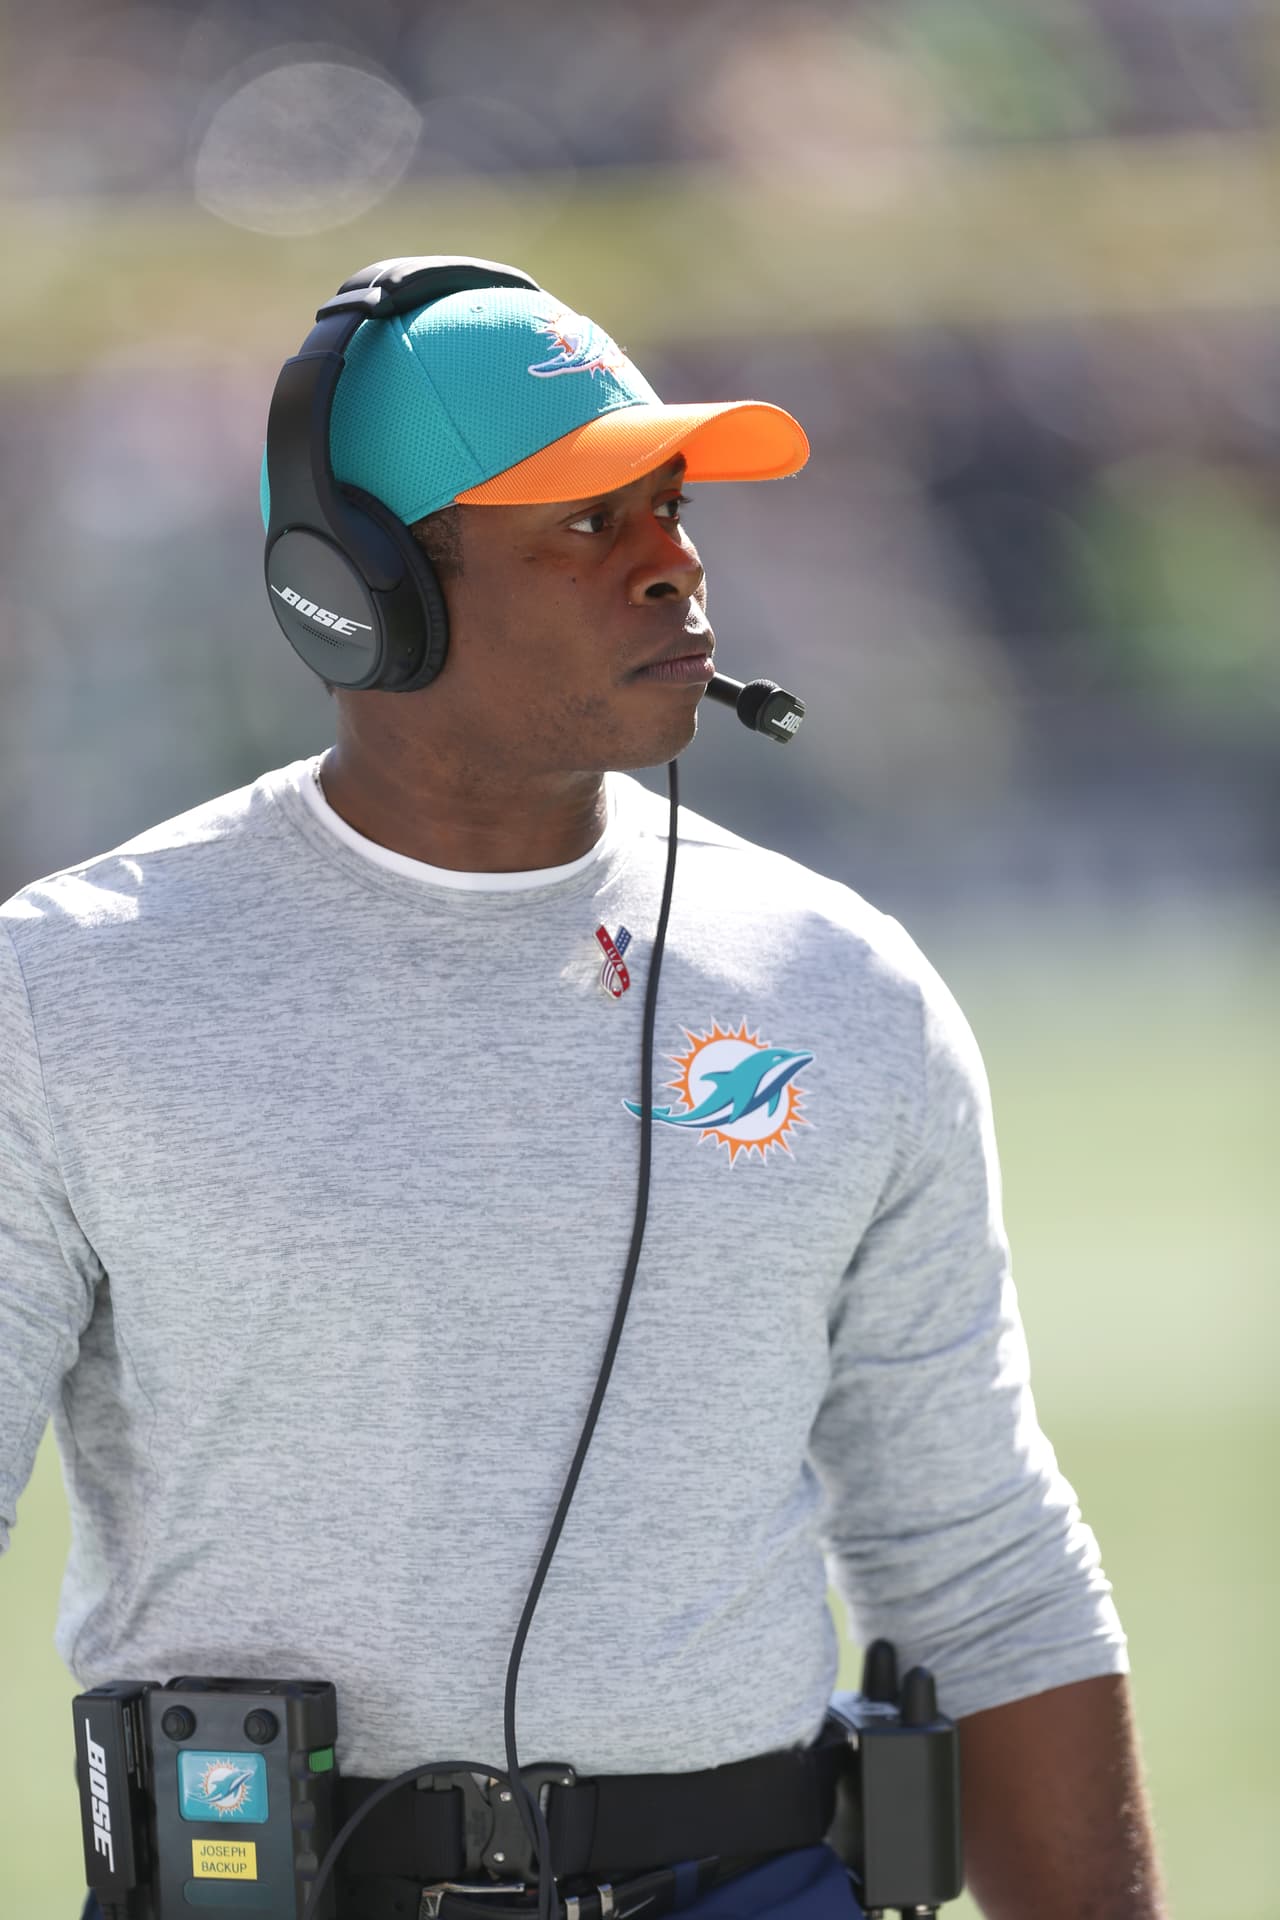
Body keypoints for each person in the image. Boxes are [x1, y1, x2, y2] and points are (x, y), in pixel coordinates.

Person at [0, 267, 1166, 1920]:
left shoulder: (841, 982)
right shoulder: (65, 990)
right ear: (366, 589)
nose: (673, 561)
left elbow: (982, 1565)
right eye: (583, 521)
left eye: (672, 506)